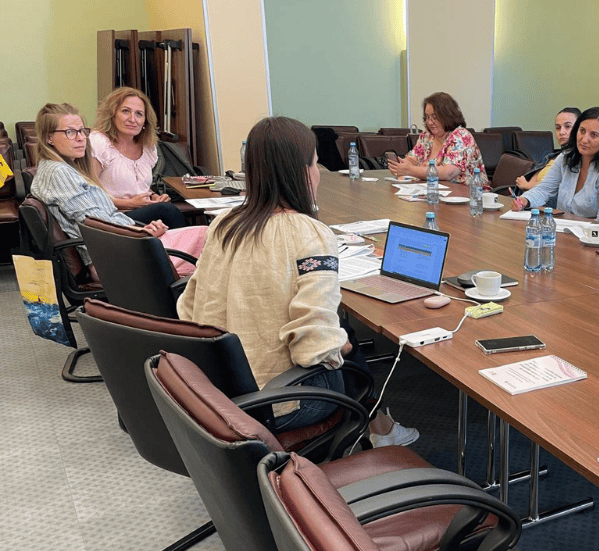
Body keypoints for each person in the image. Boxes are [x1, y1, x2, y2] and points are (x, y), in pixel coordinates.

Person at [176, 116, 416, 445]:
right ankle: (379, 429)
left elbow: (187, 308)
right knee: (347, 344)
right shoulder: (310, 234)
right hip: (281, 402)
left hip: (218, 392)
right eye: (316, 164)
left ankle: (378, 427)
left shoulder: (224, 224)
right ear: (304, 172)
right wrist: (340, 345)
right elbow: (312, 346)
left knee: (344, 338)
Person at [30, 103, 205, 277]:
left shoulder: (61, 169)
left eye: (82, 130)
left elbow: (101, 218)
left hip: (119, 245)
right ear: (48, 138)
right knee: (210, 239)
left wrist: (142, 228)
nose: (81, 138)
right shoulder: (58, 172)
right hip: (113, 256)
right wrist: (141, 232)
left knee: (208, 235)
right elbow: (92, 221)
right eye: (70, 132)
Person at [512, 107, 599, 229]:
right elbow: (544, 189)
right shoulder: (565, 158)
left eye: (594, 135)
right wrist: (525, 200)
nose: (584, 139)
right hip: (572, 232)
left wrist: (573, 228)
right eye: (582, 131)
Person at [89, 87, 185, 229]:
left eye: (139, 114)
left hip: (140, 211)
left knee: (166, 210)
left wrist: (154, 197)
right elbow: (89, 192)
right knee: (166, 211)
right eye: (125, 111)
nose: (132, 119)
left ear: (145, 121)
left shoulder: (147, 147)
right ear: (112, 114)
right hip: (112, 215)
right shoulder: (99, 141)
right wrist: (130, 204)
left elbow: (140, 187)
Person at [387, 92, 485, 184]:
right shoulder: (426, 136)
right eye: (427, 117)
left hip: (468, 195)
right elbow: (412, 159)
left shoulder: (461, 136)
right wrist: (401, 166)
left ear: (448, 116)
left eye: (434, 117)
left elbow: (448, 173)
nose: (429, 122)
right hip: (434, 191)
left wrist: (410, 170)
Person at [514, 107, 581, 192]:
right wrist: (527, 186)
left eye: (567, 126)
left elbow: (558, 190)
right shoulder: (554, 156)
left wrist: (527, 186)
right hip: (529, 199)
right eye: (558, 127)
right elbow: (535, 178)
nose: (561, 132)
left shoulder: (577, 159)